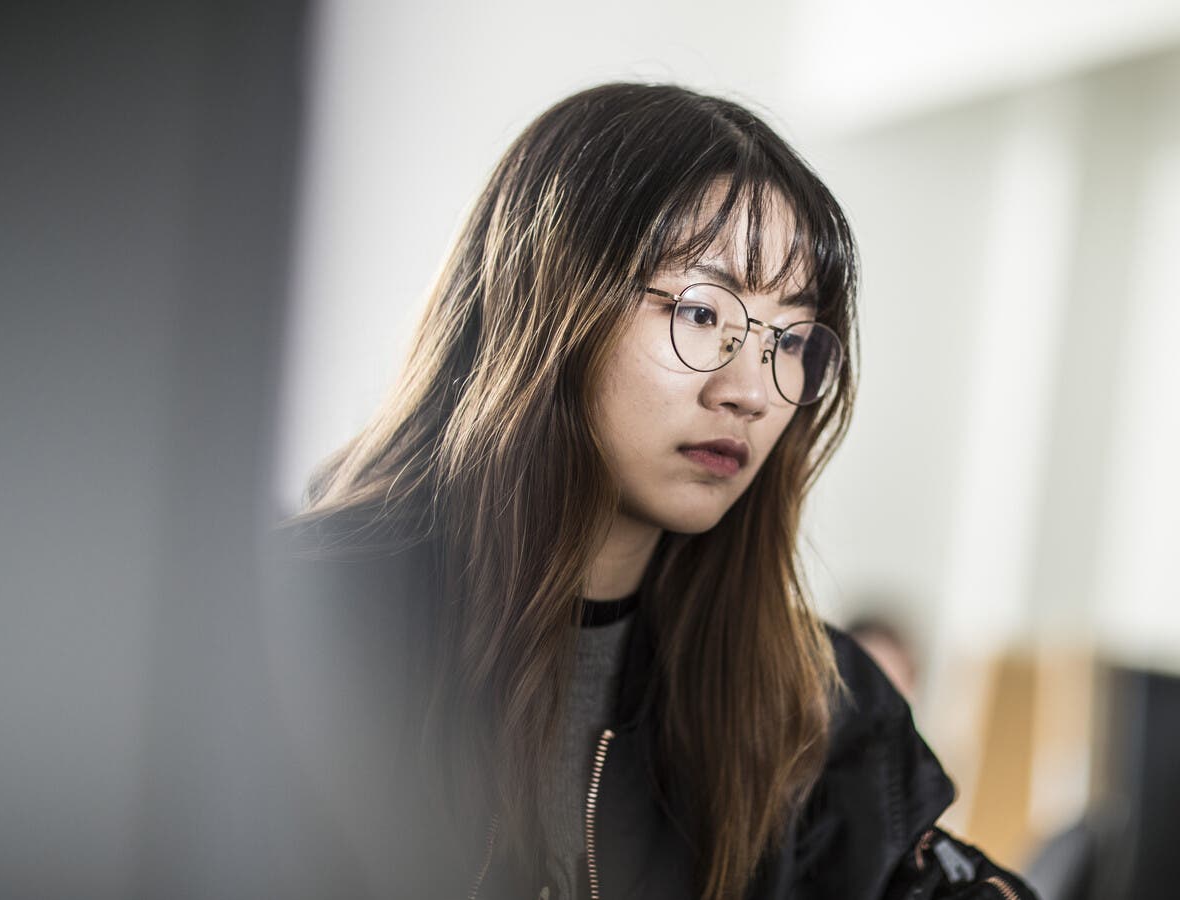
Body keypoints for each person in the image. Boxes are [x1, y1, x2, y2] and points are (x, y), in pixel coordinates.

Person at [265, 83, 1034, 900]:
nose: (753, 391)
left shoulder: (808, 710)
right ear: (549, 298)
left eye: (793, 339)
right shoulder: (290, 619)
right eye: (704, 313)